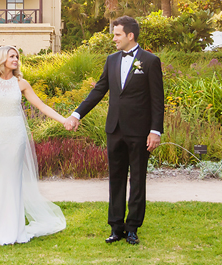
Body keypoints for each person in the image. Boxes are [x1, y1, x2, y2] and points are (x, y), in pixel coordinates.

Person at [68, 16, 164, 245]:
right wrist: (76, 114)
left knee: (138, 179)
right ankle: (115, 227)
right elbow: (99, 90)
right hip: (115, 129)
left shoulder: (150, 61)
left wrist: (155, 131)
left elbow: (157, 101)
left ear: (130, 36)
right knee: (116, 178)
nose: (114, 39)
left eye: (117, 35)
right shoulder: (111, 60)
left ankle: (133, 228)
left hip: (140, 131)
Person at [0, 45, 68, 245]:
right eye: (12, 56)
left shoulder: (21, 83)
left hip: (15, 136)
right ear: (2, 59)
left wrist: (64, 120)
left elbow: (41, 106)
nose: (16, 59)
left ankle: (15, 230)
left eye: (17, 56)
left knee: (13, 180)